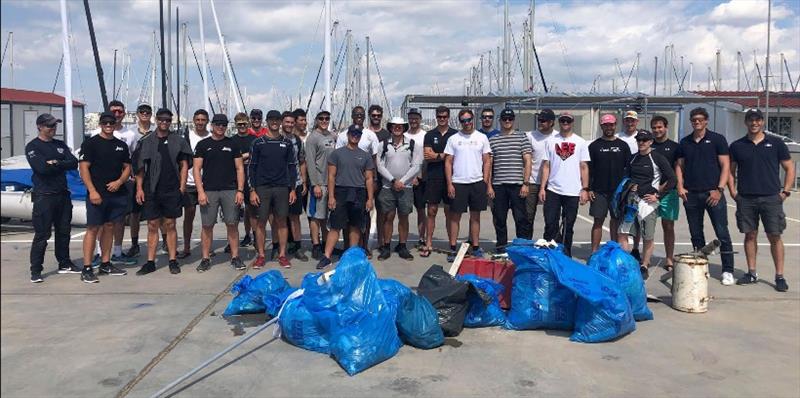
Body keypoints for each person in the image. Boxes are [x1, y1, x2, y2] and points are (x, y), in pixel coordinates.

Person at [728, 109, 795, 291]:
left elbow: (789, 167)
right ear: (746, 123)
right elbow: (730, 171)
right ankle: (751, 272)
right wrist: (734, 192)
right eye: (751, 120)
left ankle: (779, 276)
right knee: (750, 235)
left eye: (757, 120)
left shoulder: (776, 143)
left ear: (763, 122)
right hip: (746, 199)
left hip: (772, 198)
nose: (754, 123)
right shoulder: (737, 146)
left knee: (775, 236)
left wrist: (785, 192)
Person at [675, 107, 735, 285]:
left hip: (713, 194)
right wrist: (680, 186)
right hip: (691, 195)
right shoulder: (685, 142)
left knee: (722, 233)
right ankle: (701, 267)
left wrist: (720, 189)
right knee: (696, 234)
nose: (697, 122)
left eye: (700, 119)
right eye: (694, 119)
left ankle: (728, 270)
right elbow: (679, 165)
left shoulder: (717, 139)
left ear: (706, 121)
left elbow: (725, 166)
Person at [134, 108, 193, 275]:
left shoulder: (178, 140)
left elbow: (184, 164)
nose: (164, 122)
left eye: (167, 120)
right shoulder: (147, 141)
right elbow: (139, 167)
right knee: (152, 225)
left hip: (172, 187)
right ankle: (150, 261)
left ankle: (173, 260)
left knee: (170, 224)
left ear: (170, 121)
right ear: (156, 120)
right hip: (151, 188)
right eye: (161, 119)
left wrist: (182, 186)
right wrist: (139, 188)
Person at [26, 113, 80, 283]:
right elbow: (41, 169)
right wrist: (59, 163)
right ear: (40, 127)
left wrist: (55, 163)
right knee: (42, 234)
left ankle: (64, 263)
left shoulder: (59, 144)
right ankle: (36, 270)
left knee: (64, 231)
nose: (53, 128)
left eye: (55, 125)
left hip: (62, 194)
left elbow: (73, 162)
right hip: (44, 196)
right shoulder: (33, 146)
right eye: (49, 126)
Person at [79, 111, 132, 283]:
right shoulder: (90, 144)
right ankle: (87, 268)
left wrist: (120, 181)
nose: (108, 126)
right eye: (105, 123)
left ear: (115, 124)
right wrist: (92, 191)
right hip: (97, 194)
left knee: (110, 226)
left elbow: (127, 167)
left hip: (116, 194)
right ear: (100, 124)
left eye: (111, 123)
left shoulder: (121, 145)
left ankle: (105, 263)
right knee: (93, 228)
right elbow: (84, 168)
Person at [617, 130, 676, 279]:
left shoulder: (657, 158)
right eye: (639, 140)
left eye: (644, 140)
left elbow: (672, 179)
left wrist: (658, 195)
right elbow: (626, 176)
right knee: (623, 232)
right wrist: (630, 186)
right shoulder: (633, 158)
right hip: (631, 201)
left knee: (647, 235)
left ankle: (644, 265)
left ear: (650, 142)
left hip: (648, 204)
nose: (641, 143)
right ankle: (625, 263)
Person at [316, 125, 375, 270]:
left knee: (355, 226)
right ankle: (327, 256)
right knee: (335, 225)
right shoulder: (337, 154)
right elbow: (331, 176)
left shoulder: (366, 155)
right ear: (348, 135)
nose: (355, 136)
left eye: (358, 134)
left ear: (360, 136)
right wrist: (331, 196)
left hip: (358, 192)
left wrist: (370, 198)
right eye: (353, 133)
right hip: (340, 191)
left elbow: (369, 178)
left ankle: (351, 256)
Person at [193, 114, 246, 272]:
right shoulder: (203, 144)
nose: (221, 127)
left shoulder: (233, 144)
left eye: (223, 124)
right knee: (207, 225)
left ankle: (235, 257)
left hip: (230, 190)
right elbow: (196, 169)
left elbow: (240, 168)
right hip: (209, 190)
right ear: (212, 125)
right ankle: (205, 258)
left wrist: (240, 190)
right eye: (218, 124)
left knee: (232, 224)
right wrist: (200, 192)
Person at [89, 100, 139, 266]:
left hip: (122, 184)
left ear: (124, 113)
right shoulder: (95, 135)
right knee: (100, 223)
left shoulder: (130, 135)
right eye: (113, 113)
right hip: (100, 186)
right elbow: (84, 166)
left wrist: (125, 179)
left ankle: (117, 252)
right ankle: (99, 253)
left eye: (120, 112)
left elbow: (131, 160)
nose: (116, 116)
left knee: (118, 221)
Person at [249, 110, 297, 269]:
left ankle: (282, 255)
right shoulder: (258, 143)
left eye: (277, 119)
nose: (275, 122)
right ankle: (261, 255)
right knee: (261, 222)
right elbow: (252, 167)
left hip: (282, 187)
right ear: (267, 121)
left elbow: (292, 167)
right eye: (272, 119)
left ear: (281, 122)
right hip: (262, 187)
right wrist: (252, 190)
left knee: (282, 221)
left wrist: (292, 189)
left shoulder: (287, 143)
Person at [538, 111, 590, 258]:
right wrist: (543, 187)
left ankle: (566, 254)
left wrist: (585, 189)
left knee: (568, 226)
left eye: (568, 121)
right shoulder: (551, 141)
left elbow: (584, 167)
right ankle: (550, 253)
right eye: (562, 121)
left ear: (572, 122)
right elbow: (546, 165)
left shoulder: (580, 142)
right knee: (550, 223)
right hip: (553, 189)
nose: (565, 123)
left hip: (573, 191)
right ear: (558, 122)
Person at [444, 109, 492, 261]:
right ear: (460, 122)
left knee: (475, 216)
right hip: (458, 183)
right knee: (454, 217)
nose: (467, 123)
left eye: (469, 119)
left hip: (477, 183)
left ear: (473, 119)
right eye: (463, 121)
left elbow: (487, 161)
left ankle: (475, 247)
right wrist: (450, 184)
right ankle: (452, 248)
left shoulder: (482, 137)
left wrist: (485, 180)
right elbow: (448, 162)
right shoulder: (453, 139)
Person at [376, 116, 422, 260]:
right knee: (388, 217)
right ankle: (386, 246)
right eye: (394, 125)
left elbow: (416, 166)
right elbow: (379, 165)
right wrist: (393, 180)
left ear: (404, 128)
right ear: (390, 127)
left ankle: (402, 246)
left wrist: (401, 181)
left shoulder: (413, 144)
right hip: (387, 186)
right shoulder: (382, 144)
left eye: (400, 126)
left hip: (406, 187)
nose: (397, 128)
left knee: (404, 217)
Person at [488, 108, 532, 253]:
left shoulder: (522, 137)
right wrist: (489, 185)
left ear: (513, 120)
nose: (507, 121)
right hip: (499, 185)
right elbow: (489, 164)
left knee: (520, 218)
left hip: (517, 185)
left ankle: (522, 247)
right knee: (499, 218)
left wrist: (526, 183)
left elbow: (527, 161)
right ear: (500, 120)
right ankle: (501, 246)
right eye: (504, 119)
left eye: (510, 119)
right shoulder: (493, 140)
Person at [587, 114, 631, 253]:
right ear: (601, 126)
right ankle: (594, 252)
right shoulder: (594, 146)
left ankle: (614, 251)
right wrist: (588, 188)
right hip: (599, 191)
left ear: (615, 125)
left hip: (617, 192)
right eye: (606, 125)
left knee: (615, 221)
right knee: (598, 221)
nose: (609, 127)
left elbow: (629, 169)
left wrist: (627, 189)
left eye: (611, 124)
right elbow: (588, 169)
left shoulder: (623, 146)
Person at [420, 105, 458, 258]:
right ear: (436, 117)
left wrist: (437, 155)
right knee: (431, 211)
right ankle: (428, 243)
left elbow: (457, 157)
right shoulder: (430, 134)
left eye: (444, 116)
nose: (442, 119)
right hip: (433, 177)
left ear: (448, 117)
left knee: (450, 212)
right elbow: (427, 156)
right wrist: (446, 155)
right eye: (439, 117)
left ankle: (452, 244)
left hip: (452, 178)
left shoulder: (455, 134)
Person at [124, 103, 158, 259]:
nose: (145, 114)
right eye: (142, 112)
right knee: (135, 213)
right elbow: (127, 156)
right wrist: (130, 174)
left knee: (160, 213)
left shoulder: (157, 131)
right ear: (137, 114)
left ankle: (163, 242)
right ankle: (135, 244)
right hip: (135, 177)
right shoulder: (130, 132)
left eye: (148, 112)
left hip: (154, 177)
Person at [178, 109, 211, 259]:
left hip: (208, 184)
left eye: (203, 120)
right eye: (197, 119)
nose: (200, 122)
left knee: (207, 219)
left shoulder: (212, 137)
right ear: (193, 120)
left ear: (207, 121)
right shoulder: (186, 137)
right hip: (190, 183)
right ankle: (186, 247)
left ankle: (207, 247)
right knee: (189, 215)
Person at [650, 115, 680, 270]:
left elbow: (678, 170)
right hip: (650, 194)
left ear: (666, 127)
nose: (657, 130)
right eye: (654, 128)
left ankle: (669, 258)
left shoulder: (675, 147)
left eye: (660, 127)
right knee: (647, 226)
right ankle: (646, 259)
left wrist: (675, 186)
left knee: (668, 226)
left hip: (670, 192)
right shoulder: (648, 146)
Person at [305, 110, 336, 260]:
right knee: (315, 217)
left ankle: (326, 244)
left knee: (325, 217)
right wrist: (315, 184)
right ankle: (316, 245)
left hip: (330, 183)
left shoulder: (331, 136)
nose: (324, 121)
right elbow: (310, 162)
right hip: (319, 183)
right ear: (317, 120)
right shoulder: (312, 138)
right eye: (322, 118)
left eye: (327, 118)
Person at [281, 111, 309, 261]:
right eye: (287, 122)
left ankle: (297, 247)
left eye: (292, 122)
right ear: (282, 123)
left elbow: (302, 161)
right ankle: (280, 248)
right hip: (278, 184)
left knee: (294, 217)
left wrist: (303, 181)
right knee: (279, 218)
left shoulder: (297, 140)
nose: (290, 125)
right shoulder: (275, 139)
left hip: (296, 183)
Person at [525, 108, 558, 237]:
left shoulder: (557, 137)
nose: (540, 122)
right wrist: (525, 182)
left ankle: (549, 243)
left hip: (551, 184)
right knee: (528, 217)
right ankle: (527, 244)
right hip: (532, 182)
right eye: (539, 120)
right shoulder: (530, 136)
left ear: (551, 122)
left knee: (551, 218)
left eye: (543, 120)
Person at [616, 109, 643, 260]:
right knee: (622, 217)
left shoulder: (642, 137)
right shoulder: (618, 137)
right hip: (623, 183)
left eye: (632, 120)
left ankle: (636, 248)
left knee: (638, 218)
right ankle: (620, 249)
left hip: (638, 183)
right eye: (627, 120)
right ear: (624, 121)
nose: (630, 123)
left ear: (637, 122)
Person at [230, 113, 257, 250]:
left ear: (248, 124)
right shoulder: (231, 140)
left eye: (244, 124)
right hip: (234, 178)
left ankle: (255, 236)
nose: (242, 126)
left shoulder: (255, 140)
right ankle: (235, 239)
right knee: (233, 212)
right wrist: (245, 156)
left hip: (251, 177)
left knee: (251, 210)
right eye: (239, 124)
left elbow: (257, 158)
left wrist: (240, 157)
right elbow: (230, 160)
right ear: (235, 124)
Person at [404, 108, 427, 249]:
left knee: (420, 209)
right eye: (411, 118)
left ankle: (421, 238)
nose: (413, 120)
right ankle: (403, 240)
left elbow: (425, 159)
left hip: (419, 179)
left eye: (416, 118)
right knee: (404, 211)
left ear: (420, 119)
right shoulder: (404, 135)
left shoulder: (425, 135)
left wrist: (418, 176)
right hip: (404, 179)